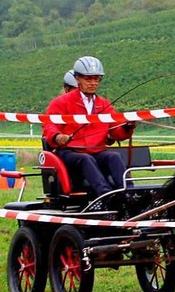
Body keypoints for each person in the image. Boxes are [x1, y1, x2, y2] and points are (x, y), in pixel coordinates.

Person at [43, 56, 136, 197]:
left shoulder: (104, 104)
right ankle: (105, 195)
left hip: (95, 151)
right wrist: (58, 137)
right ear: (77, 79)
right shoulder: (60, 102)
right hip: (70, 152)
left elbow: (116, 131)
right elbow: (49, 125)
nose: (93, 83)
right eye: (88, 79)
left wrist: (127, 127)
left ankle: (130, 193)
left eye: (96, 79)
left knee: (113, 157)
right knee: (86, 159)